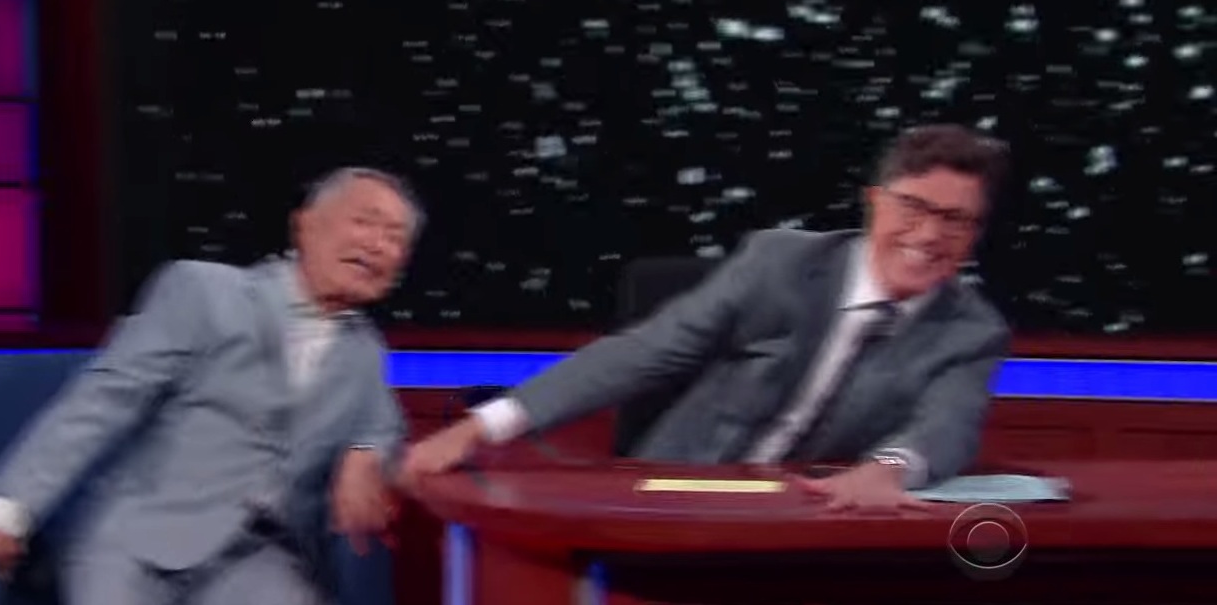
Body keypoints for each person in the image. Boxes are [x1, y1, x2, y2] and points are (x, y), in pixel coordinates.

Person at [403, 125, 1012, 512]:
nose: (929, 235)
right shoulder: (780, 263)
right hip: (680, 491)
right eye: (914, 207)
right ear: (875, 202)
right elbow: (644, 352)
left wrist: (890, 470)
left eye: (955, 220)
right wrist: (481, 428)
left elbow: (948, 424)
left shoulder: (971, 330)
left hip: (806, 511)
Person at [0, 167, 420, 604]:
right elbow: (100, 404)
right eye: (364, 222)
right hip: (140, 542)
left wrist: (365, 451)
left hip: (259, 559)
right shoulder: (205, 291)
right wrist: (7, 510)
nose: (377, 244)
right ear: (305, 225)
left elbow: (384, 428)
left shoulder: (364, 352)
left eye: (395, 237)